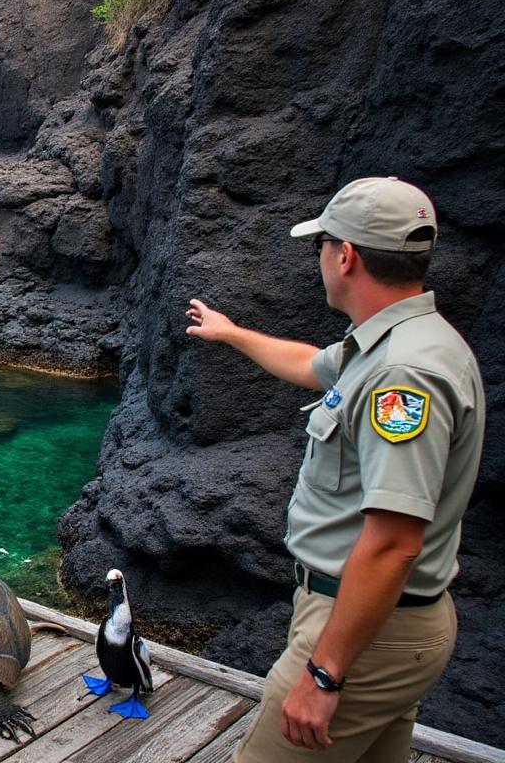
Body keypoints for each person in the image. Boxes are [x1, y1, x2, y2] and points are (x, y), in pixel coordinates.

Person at [185, 177, 483, 761]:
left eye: (321, 245)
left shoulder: (403, 376)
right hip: (391, 628)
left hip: (365, 637)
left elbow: (393, 543)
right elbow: (314, 367)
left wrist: (324, 675)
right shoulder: (402, 343)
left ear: (344, 256)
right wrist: (231, 333)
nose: (319, 257)